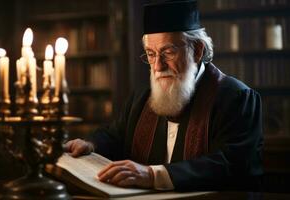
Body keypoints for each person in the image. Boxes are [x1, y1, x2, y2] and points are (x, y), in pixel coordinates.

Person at [64, 0, 263, 191]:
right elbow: (115, 136)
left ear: (197, 51)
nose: (158, 66)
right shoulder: (142, 99)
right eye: (151, 54)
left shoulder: (237, 98)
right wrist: (90, 144)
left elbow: (230, 164)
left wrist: (152, 176)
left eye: (168, 52)